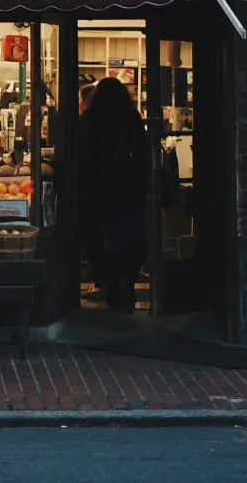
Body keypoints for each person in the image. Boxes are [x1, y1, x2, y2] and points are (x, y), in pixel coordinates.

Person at [78, 78, 149, 314]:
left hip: (97, 187)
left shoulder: (90, 120)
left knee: (99, 237)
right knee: (130, 236)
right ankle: (125, 283)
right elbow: (143, 152)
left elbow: (82, 154)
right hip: (128, 187)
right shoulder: (131, 118)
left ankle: (111, 284)